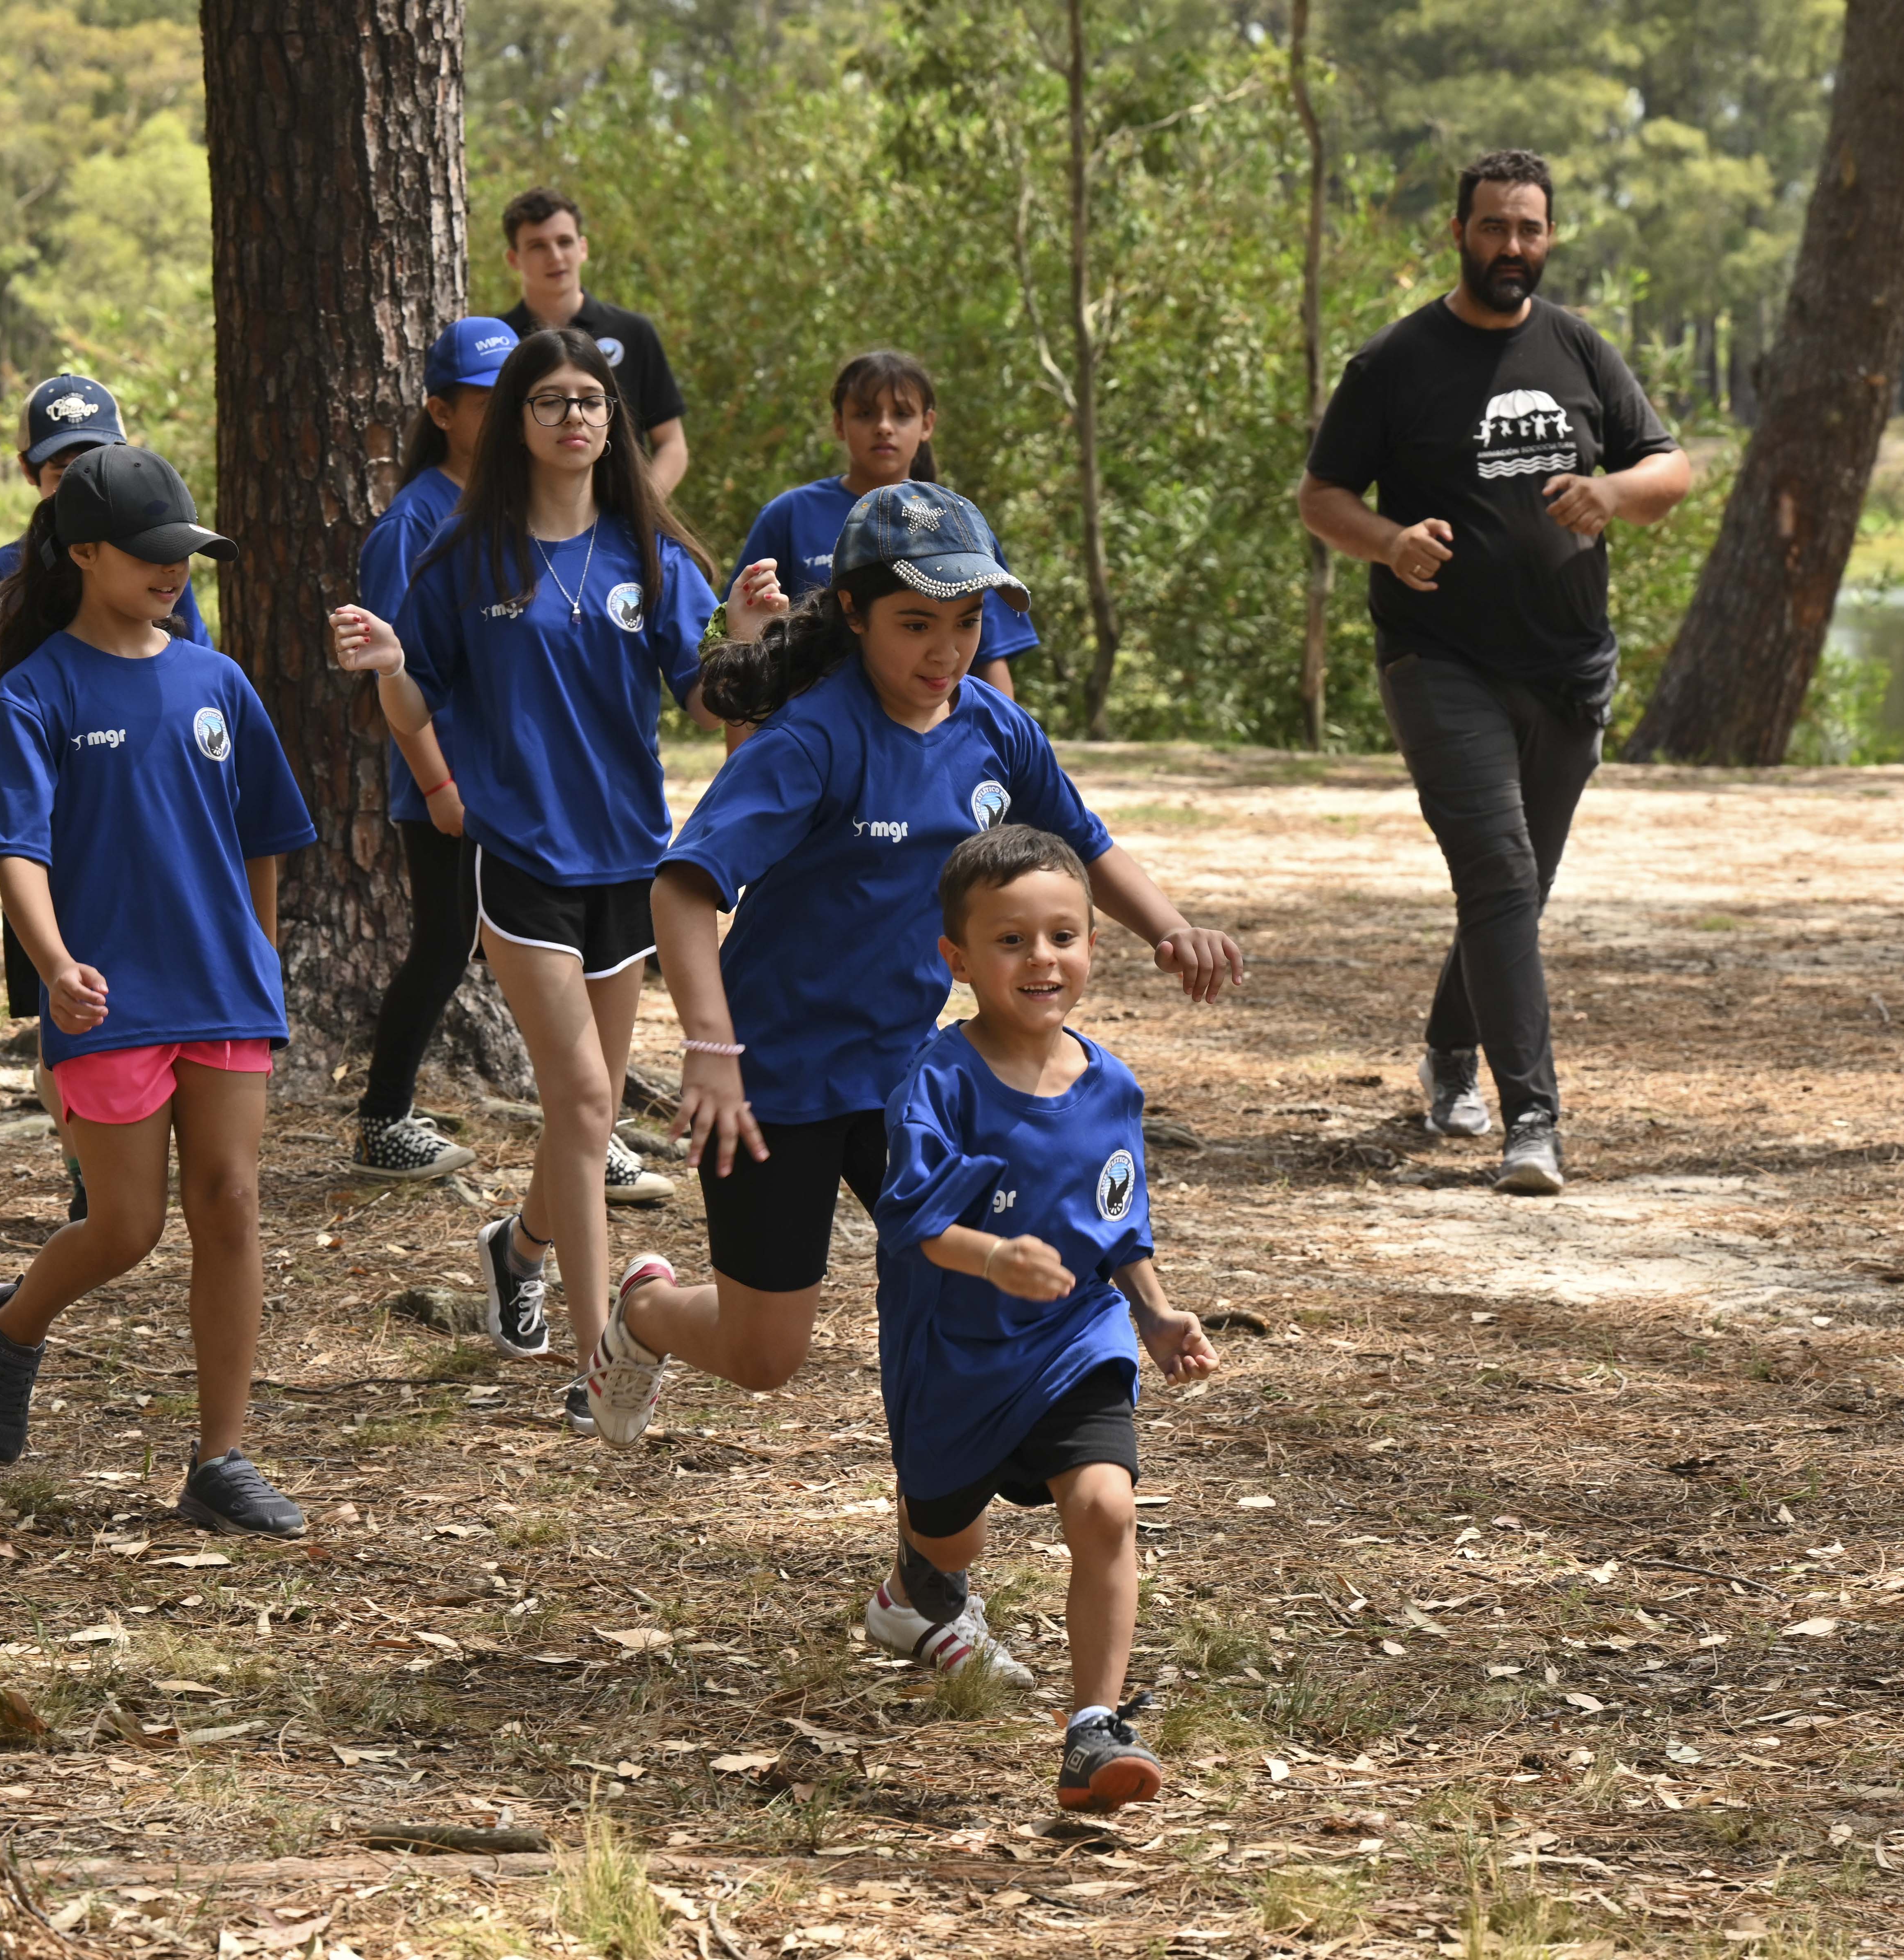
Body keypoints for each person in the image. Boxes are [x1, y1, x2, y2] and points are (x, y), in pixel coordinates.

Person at [579, 481, 1239, 1685]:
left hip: (913, 1083)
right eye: (916, 625)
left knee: (969, 1295)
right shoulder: (812, 738)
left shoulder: (993, 731)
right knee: (767, 1351)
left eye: (967, 624)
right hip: (772, 1082)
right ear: (853, 613)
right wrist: (711, 1049)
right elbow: (682, 888)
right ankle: (643, 1311)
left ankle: (922, 1586)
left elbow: (1082, 841)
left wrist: (1168, 928)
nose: (944, 653)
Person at [331, 328, 725, 1437]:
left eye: (591, 402)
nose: (574, 419)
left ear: (611, 420)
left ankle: (518, 1249)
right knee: (587, 1107)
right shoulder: (464, 557)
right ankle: (601, 1362)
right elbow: (411, 708)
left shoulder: (650, 558)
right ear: (516, 421)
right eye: (550, 402)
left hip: (630, 866)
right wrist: (394, 669)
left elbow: (706, 700)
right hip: (521, 864)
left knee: (578, 1112)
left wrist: (748, 636)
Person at [1297, 148, 1692, 1196]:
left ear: (1548, 237)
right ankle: (1533, 1122)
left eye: (1529, 229)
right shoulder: (1394, 364)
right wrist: (1387, 542)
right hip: (1440, 660)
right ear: (1459, 232)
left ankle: (1445, 1050)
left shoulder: (1580, 350)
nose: (1511, 247)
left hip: (1568, 668)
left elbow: (1672, 468)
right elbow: (1322, 494)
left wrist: (1614, 495)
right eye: (1493, 228)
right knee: (1502, 876)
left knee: (1513, 890)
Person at [0, 444, 320, 1535]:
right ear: (86, 554)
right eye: (153, 556)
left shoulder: (218, 682)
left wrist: (259, 948)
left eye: (187, 555)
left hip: (220, 989)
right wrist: (57, 966)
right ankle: (10, 1323)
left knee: (232, 1206)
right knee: (126, 1228)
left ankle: (220, 1460)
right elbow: (15, 848)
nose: (175, 571)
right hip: (106, 999)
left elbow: (266, 834)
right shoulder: (38, 692)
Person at [877, 824, 1217, 1810]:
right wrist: (995, 1256)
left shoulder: (1111, 1086)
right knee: (950, 1539)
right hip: (956, 1356)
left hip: (1077, 1339)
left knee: (1107, 1506)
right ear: (958, 959)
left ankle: (1093, 1726)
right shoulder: (937, 1081)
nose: (1042, 961)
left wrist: (1153, 1315)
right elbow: (915, 1218)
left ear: (1093, 947)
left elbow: (1119, 1220)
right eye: (1012, 941)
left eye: (1064, 937)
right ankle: (919, 1579)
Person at [0, 375, 207, 1222]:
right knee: (61, 1012)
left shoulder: (159, 566)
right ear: (29, 473)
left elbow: (199, 695)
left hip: (148, 834)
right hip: (41, 841)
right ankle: (91, 1169)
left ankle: (131, 1155)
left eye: (94, 455)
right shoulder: (1, 577)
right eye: (58, 464)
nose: (75, 474)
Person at [345, 314, 513, 1181]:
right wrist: (440, 786)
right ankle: (382, 1120)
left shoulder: (523, 507)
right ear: (443, 412)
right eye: (485, 399)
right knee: (447, 941)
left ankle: (584, 1127)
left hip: (514, 776)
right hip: (444, 783)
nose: (507, 412)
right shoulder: (411, 525)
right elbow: (393, 677)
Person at [730, 350, 1035, 701]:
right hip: (812, 734)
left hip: (924, 735)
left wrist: (1005, 747)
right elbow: (743, 645)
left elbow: (990, 655)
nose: (884, 427)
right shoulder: (788, 515)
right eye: (865, 414)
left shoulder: (959, 522)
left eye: (902, 414)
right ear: (839, 424)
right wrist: (745, 753)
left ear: (927, 424)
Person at [498, 188, 690, 497]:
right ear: (513, 259)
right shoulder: (499, 341)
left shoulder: (633, 331)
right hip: (522, 524)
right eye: (537, 246)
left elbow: (672, 444)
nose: (556, 257)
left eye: (565, 242)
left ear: (583, 248)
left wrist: (641, 511)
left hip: (620, 519)